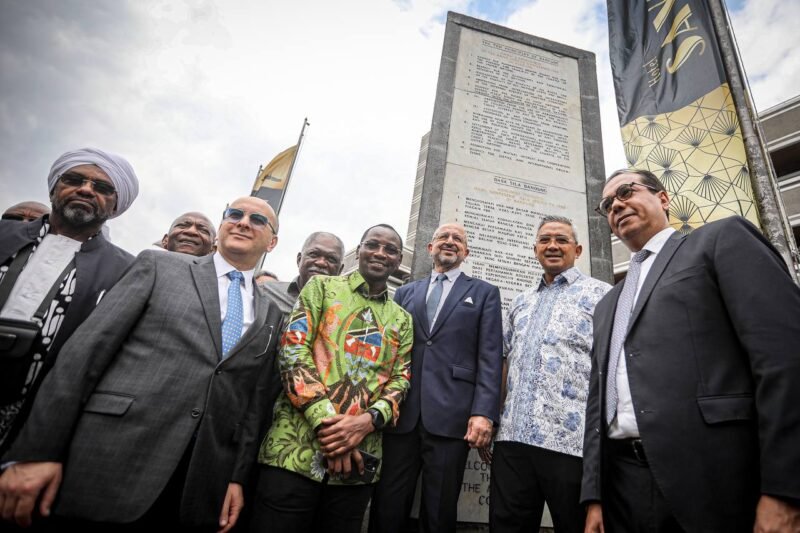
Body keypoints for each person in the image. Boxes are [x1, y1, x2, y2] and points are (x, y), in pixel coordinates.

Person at [0, 197, 285, 532]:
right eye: (234, 214)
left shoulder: (271, 312)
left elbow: (252, 403)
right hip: (110, 458)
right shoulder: (158, 266)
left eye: (257, 219)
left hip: (196, 483)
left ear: (272, 241)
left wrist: (235, 477)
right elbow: (84, 356)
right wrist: (38, 451)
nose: (242, 222)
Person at [582, 169, 800, 532]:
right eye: (607, 204)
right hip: (623, 487)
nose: (616, 205)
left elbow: (784, 355)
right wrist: (594, 497)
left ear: (663, 198)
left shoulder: (721, 239)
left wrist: (787, 488)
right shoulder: (607, 304)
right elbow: (596, 404)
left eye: (625, 192)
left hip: (716, 478)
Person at [250, 224, 412, 533]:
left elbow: (401, 380)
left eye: (390, 250)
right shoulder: (321, 288)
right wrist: (333, 429)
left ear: (398, 259)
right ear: (359, 250)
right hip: (293, 453)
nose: (380, 253)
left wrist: (366, 422)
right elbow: (293, 352)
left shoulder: (402, 319)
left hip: (357, 465)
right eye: (372, 245)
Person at [0, 148, 139, 457]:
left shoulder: (126, 271)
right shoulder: (4, 234)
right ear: (54, 187)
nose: (86, 189)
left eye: (102, 187)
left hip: (33, 423)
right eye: (75, 179)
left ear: (116, 204)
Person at [369, 222, 503, 533]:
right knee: (387, 503)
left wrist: (483, 412)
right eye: (443, 237)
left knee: (440, 508)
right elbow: (388, 351)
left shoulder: (484, 293)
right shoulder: (404, 292)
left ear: (466, 252)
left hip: (451, 417)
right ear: (430, 248)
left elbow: (490, 357)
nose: (450, 241)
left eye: (458, 239)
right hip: (400, 416)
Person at [489, 216, 610, 533]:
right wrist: (493, 418)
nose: (552, 246)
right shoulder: (520, 301)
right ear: (535, 249)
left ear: (578, 249)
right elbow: (505, 361)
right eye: (545, 240)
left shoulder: (602, 295)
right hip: (512, 441)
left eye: (561, 239)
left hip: (571, 444)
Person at [260, 231, 345, 315]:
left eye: (331, 259)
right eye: (314, 254)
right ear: (299, 259)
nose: (321, 263)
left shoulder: (346, 310)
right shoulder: (264, 292)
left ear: (340, 270)